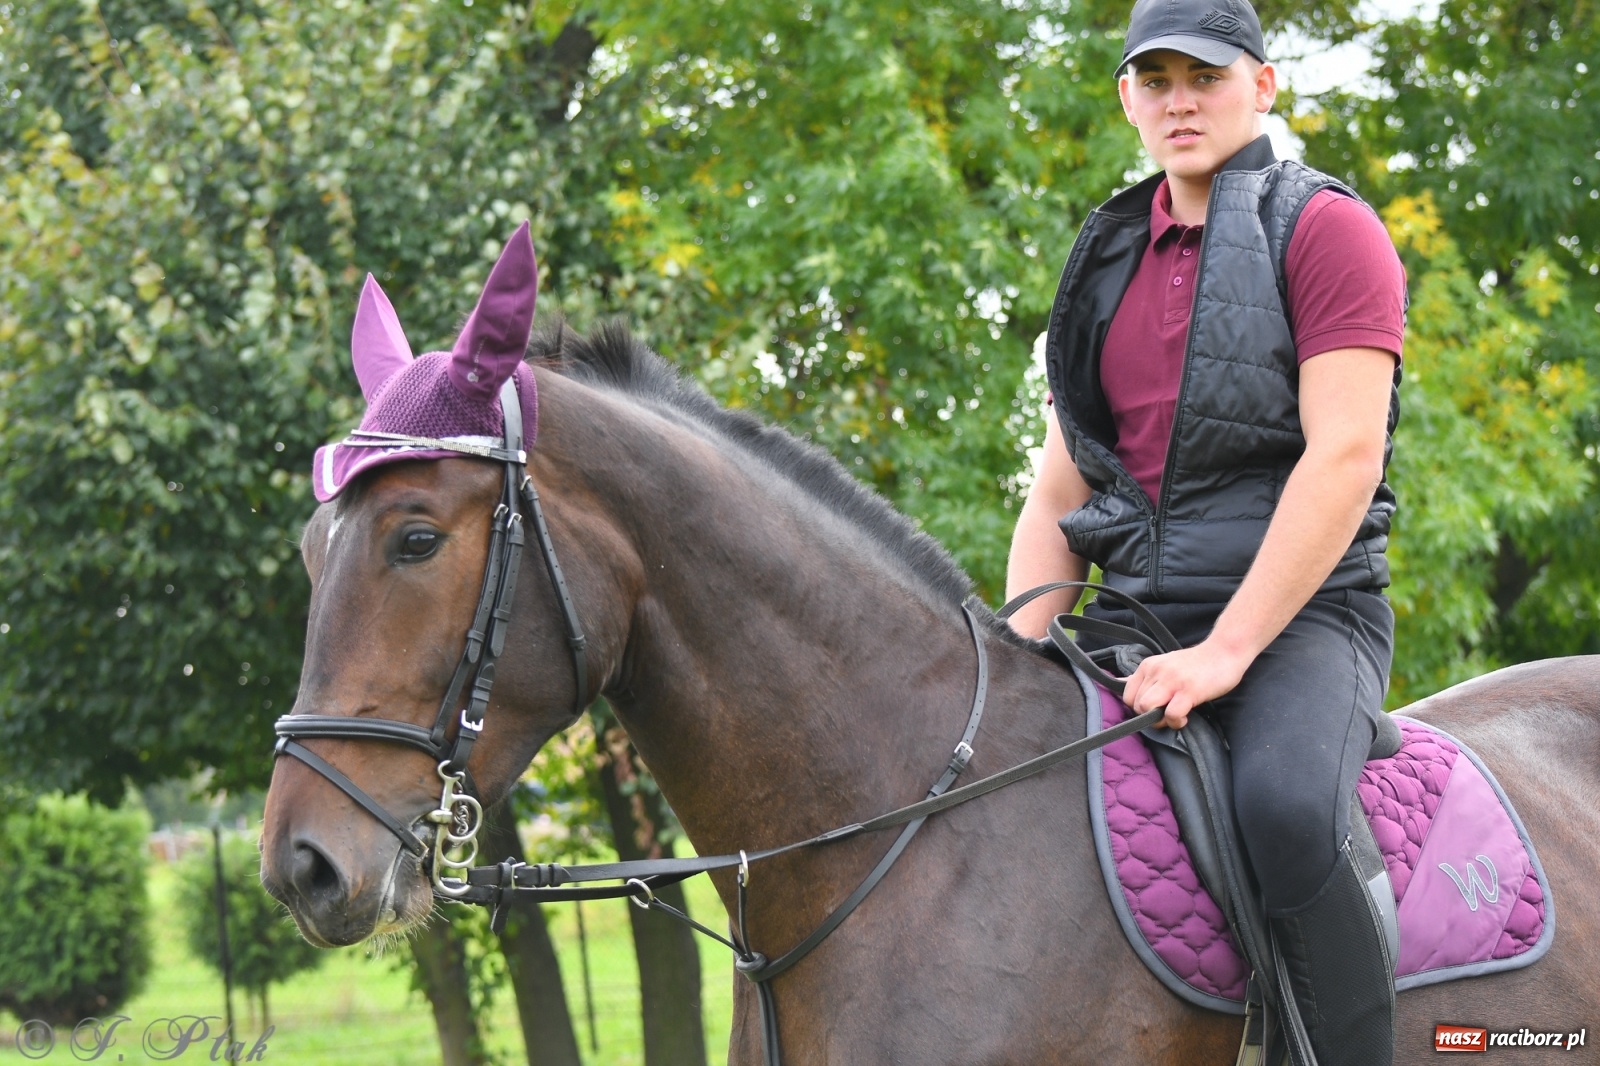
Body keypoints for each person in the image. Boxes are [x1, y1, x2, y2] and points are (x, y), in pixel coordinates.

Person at [1005, 0, 1405, 1061]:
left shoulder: (1325, 228)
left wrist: (1226, 651)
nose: (1180, 101)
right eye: (1157, 80)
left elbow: (1345, 458)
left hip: (1303, 621)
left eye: (1206, 76)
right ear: (1127, 99)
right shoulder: (1103, 261)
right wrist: (1019, 649)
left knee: (1285, 808)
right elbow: (1058, 492)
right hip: (1130, 618)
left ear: (1262, 84)